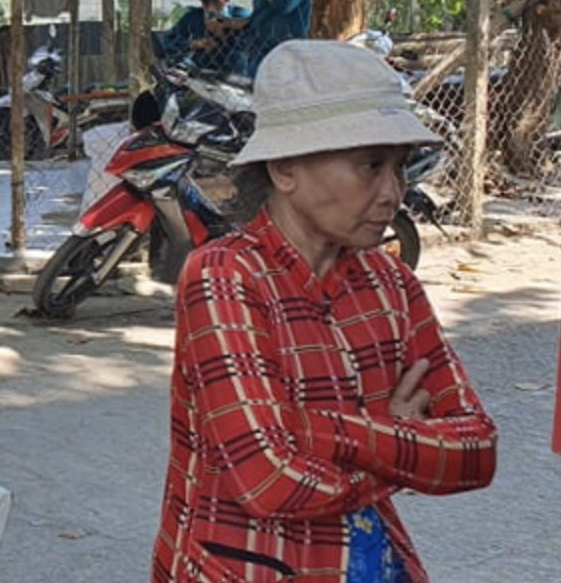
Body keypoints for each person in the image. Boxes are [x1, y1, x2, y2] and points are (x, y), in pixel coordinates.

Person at [152, 40, 497, 583]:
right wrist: (395, 439)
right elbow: (269, 481)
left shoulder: (392, 283)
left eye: (400, 168)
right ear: (285, 168)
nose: (393, 193)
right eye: (371, 165)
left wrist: (319, 433)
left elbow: (477, 450)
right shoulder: (222, 277)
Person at [159, 0, 250, 74]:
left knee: (238, 58)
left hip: (233, 68)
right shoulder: (193, 16)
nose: (211, 9)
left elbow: (251, 46)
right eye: (206, 3)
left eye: (216, 3)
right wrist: (196, 44)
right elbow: (169, 41)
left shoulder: (241, 15)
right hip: (201, 66)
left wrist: (223, 35)